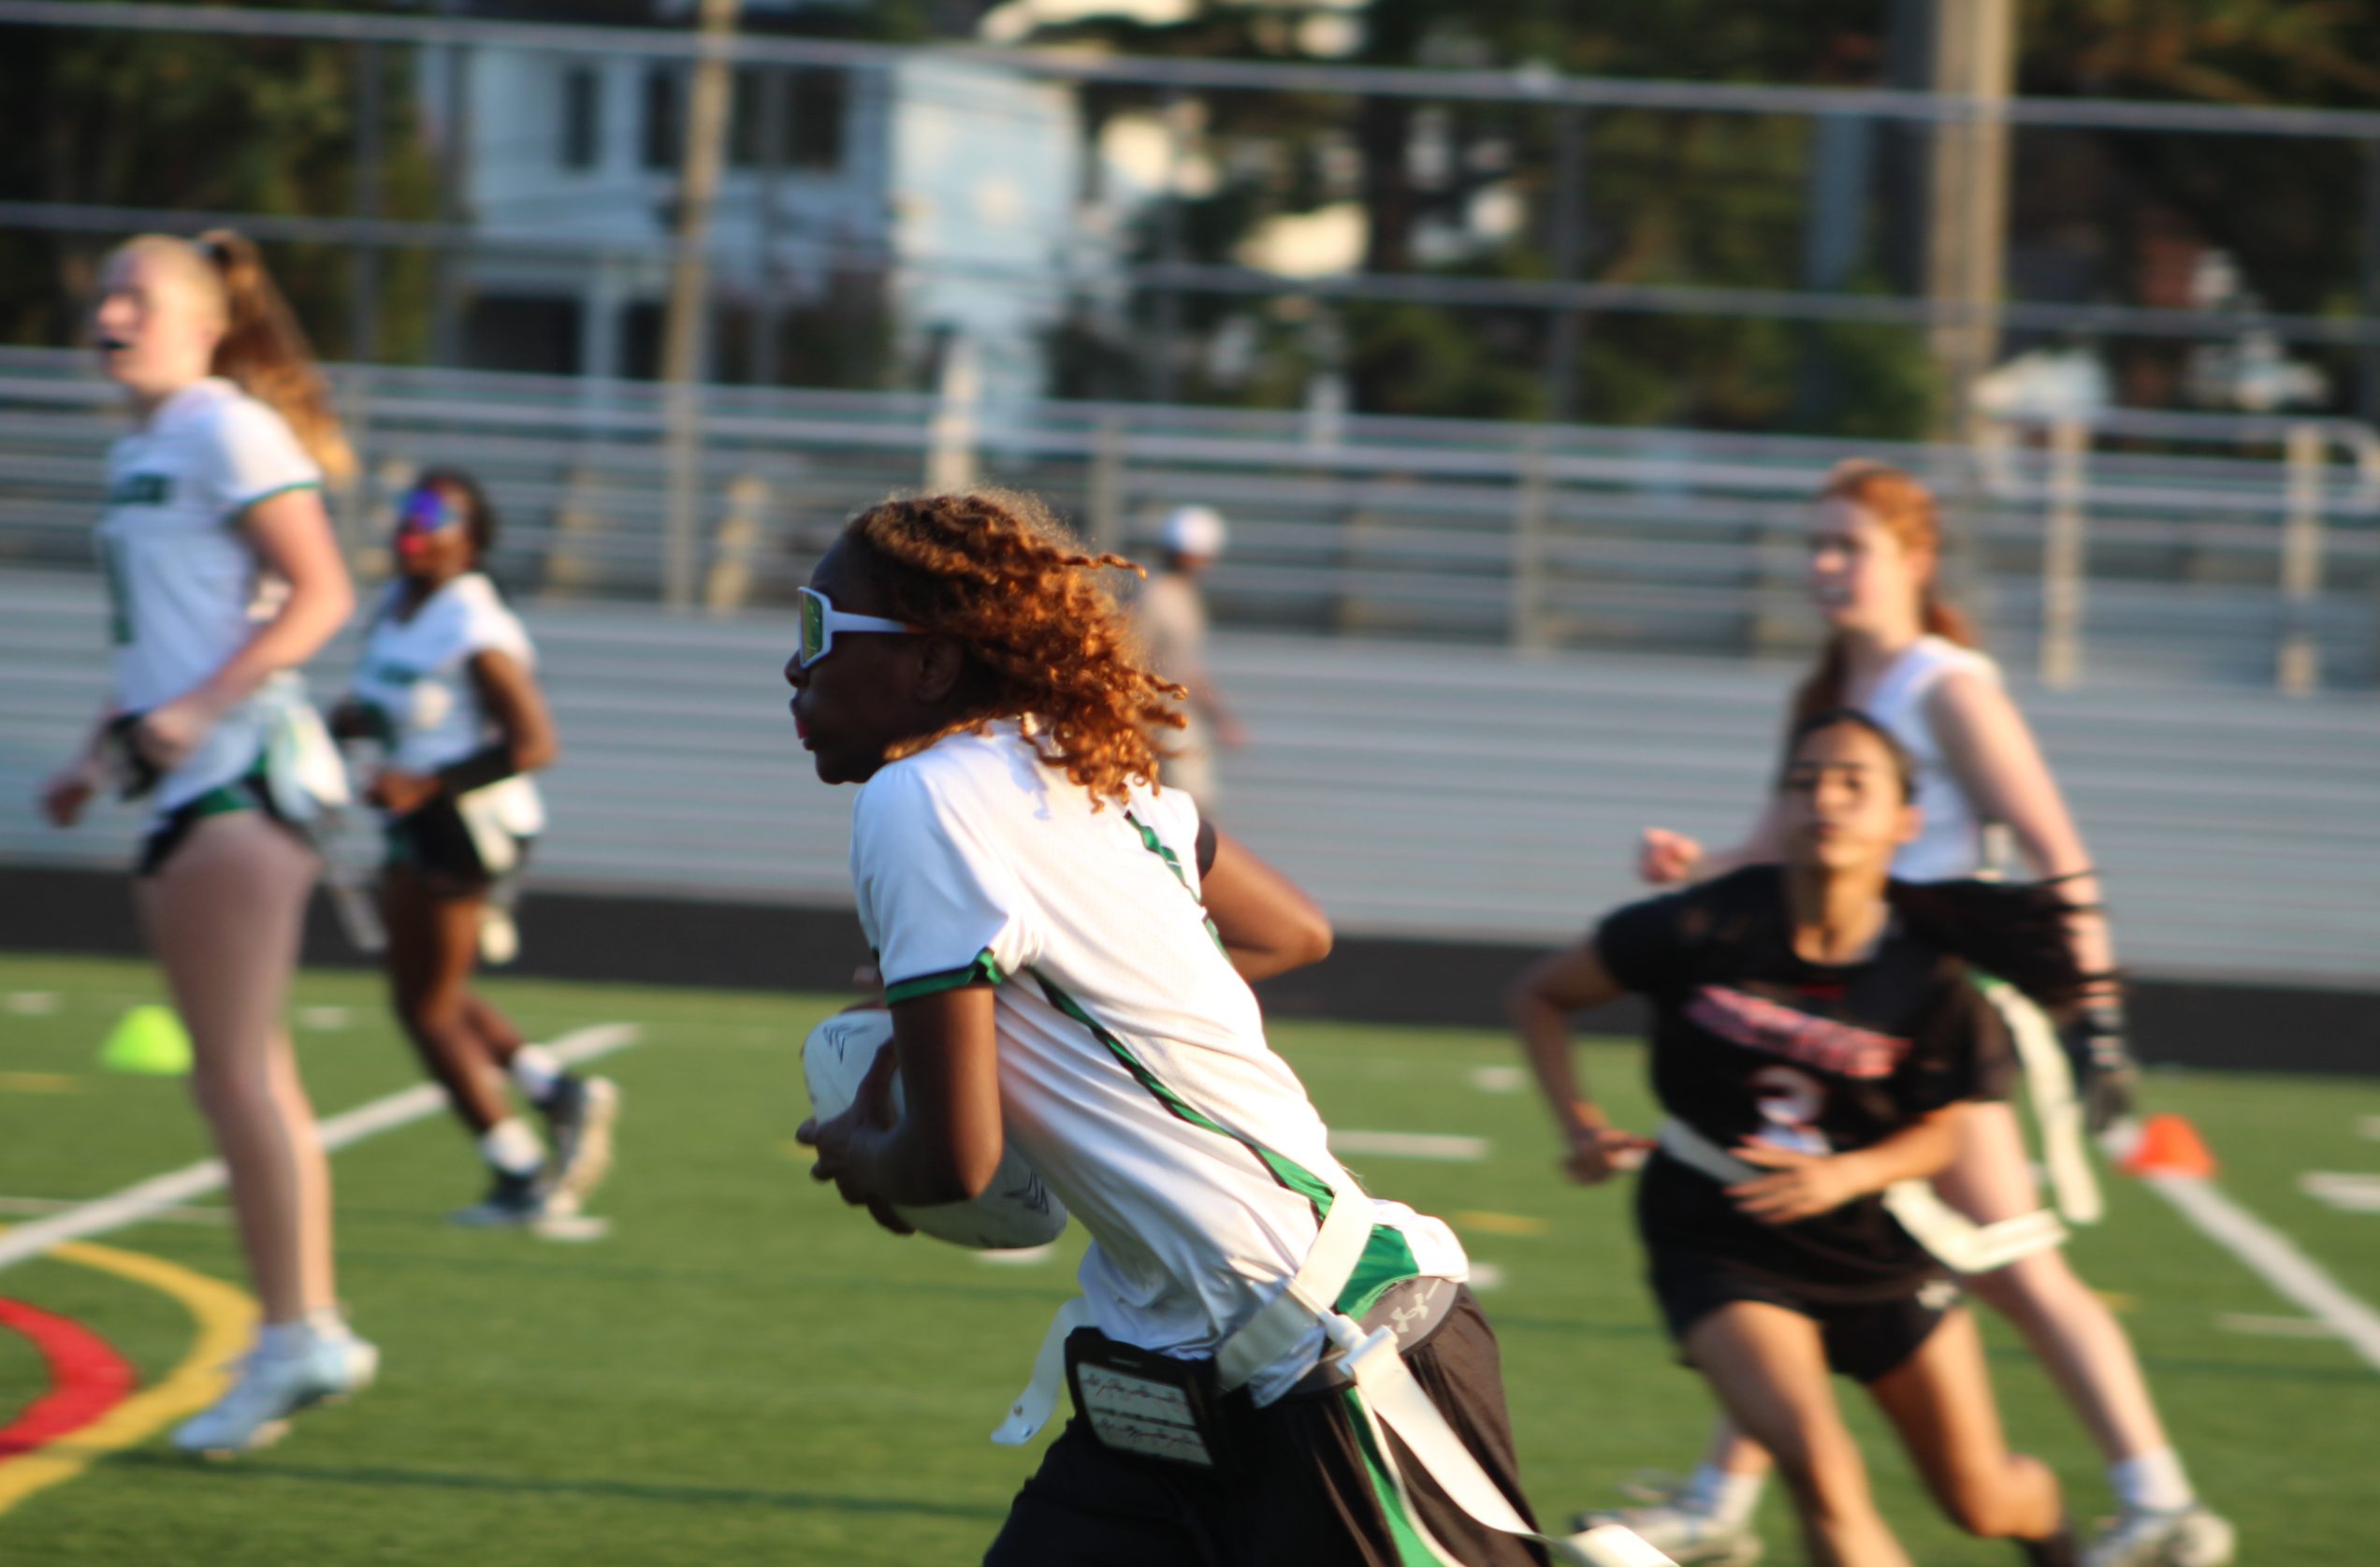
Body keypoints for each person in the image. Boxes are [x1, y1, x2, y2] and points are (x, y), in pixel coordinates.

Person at [787, 488, 1608, 1567]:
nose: (795, 668)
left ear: (932, 665)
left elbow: (952, 1158)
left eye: (817, 629)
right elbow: (1294, 932)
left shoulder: (919, 799)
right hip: (1161, 1361)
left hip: (1319, 1345)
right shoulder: (1085, 770)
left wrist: (863, 1155)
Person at [1602, 461, 2228, 1567]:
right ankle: (1715, 1502)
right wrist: (1696, 864)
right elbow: (1775, 844)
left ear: (1914, 559)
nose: (1822, 568)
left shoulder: (1945, 685)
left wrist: (2101, 1020)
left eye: (1848, 546)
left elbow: (2055, 853)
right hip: (1851, 1026)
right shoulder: (1839, 686)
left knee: (2014, 1264)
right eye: (1814, 546)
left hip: (1939, 1028)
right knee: (1788, 1247)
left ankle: (2160, 1501)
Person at [1511, 708, 2088, 1567]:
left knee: (1981, 1497)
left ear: (1905, 819)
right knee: (1819, 1464)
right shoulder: (1705, 922)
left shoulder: (1928, 968)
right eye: (1807, 778)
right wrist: (1579, 1123)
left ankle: (2055, 1536)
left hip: (1872, 1242)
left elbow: (1947, 1134)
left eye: (1856, 781)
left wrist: (1850, 1173)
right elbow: (1541, 995)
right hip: (1719, 1231)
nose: (1827, 795)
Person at [37, 230, 376, 1455]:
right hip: (183, 785)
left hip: (238, 779)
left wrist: (188, 714)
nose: (108, 309)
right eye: (103, 288)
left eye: (135, 291)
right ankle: (292, 1328)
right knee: (227, 1070)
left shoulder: (225, 425)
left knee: (239, 1071)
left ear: (202, 322)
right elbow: (164, 640)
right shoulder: (146, 448)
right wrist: (99, 747)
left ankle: (301, 1331)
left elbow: (323, 592)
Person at [329, 468, 618, 1229]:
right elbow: (407, 707)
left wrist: (422, 785)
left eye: (434, 517)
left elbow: (534, 742)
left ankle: (520, 1170)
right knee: (431, 988)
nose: (412, 529)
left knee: (422, 1007)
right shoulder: (400, 606)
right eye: (406, 512)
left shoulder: (474, 622)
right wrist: (358, 720)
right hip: (424, 819)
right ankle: (555, 1090)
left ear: (472, 539)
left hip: (464, 826)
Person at [1132, 504, 1248, 812]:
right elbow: (1134, 657)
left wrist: (1218, 716)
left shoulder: (1180, 594)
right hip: (1160, 715)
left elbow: (1187, 666)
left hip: (1176, 714)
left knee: (1186, 804)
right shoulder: (1158, 596)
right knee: (1189, 805)